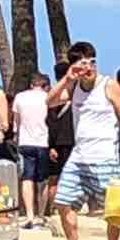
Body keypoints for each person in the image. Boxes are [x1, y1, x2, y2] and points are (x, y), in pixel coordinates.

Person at [48, 41, 120, 240]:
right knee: (63, 201)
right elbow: (49, 101)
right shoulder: (74, 87)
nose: (89, 66)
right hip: (79, 157)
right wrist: (68, 78)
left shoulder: (109, 85)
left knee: (114, 212)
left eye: (93, 61)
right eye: (84, 62)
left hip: (105, 156)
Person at [12, 73, 50, 228]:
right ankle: (40, 214)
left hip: (25, 141)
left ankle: (29, 214)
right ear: (45, 85)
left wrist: (16, 135)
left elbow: (16, 120)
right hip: (43, 142)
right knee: (42, 180)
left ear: (31, 84)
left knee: (27, 178)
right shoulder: (47, 97)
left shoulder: (20, 97)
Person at [46, 62, 75, 216]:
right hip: (71, 140)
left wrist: (50, 145)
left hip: (56, 141)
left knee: (54, 179)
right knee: (72, 177)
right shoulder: (73, 93)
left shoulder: (53, 94)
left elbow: (49, 121)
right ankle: (71, 208)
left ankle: (53, 210)